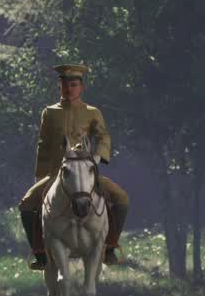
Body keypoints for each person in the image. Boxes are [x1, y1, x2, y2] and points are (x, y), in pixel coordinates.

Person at [18, 64, 131, 270]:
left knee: (121, 198)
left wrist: (98, 156)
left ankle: (109, 247)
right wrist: (41, 176)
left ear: (81, 87)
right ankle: (40, 252)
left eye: (73, 84)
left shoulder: (92, 112)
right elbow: (43, 145)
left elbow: (103, 136)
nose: (68, 89)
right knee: (26, 204)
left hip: (86, 174)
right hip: (57, 175)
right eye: (64, 84)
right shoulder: (49, 112)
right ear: (58, 86)